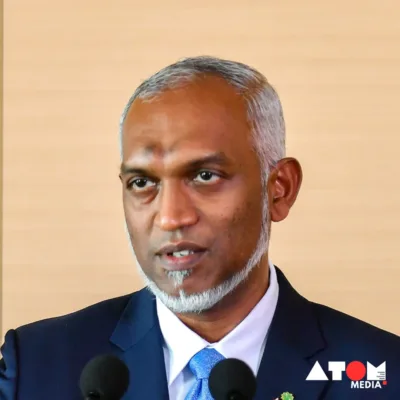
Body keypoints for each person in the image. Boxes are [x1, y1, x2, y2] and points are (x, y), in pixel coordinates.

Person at [0, 56, 399, 400]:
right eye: (142, 183)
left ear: (279, 190)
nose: (171, 217)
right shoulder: (36, 366)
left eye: (205, 176)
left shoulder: (383, 371)